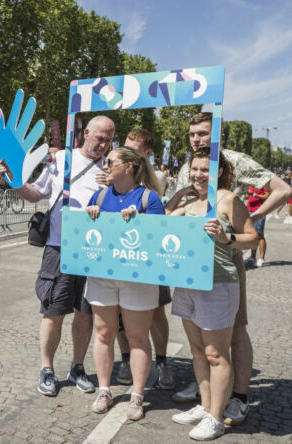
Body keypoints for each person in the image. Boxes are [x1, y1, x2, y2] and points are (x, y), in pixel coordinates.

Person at [170, 112, 291, 425]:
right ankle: (207, 393)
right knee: (201, 338)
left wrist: (241, 222)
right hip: (189, 262)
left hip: (224, 258)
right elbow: (177, 207)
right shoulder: (188, 164)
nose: (197, 139)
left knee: (234, 332)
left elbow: (283, 190)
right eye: (193, 134)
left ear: (217, 135)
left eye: (204, 133)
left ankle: (239, 397)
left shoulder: (235, 160)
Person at [0, 115, 115, 397]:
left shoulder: (112, 166)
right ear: (85, 133)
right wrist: (11, 180)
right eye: (99, 138)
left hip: (94, 251)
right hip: (59, 248)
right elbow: (35, 194)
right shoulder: (62, 158)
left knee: (84, 314)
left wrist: (113, 184)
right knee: (53, 313)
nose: (103, 144)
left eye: (108, 140)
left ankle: (77, 368)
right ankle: (47, 369)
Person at [167, 148, 258, 440]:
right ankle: (205, 406)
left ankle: (216, 418)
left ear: (219, 171)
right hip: (187, 283)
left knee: (215, 354)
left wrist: (226, 237)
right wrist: (179, 194)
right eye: (194, 169)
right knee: (197, 351)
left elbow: (253, 238)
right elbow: (162, 218)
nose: (198, 174)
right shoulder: (193, 203)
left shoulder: (228, 199)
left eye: (205, 169)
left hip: (218, 284)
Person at [82, 146, 166, 420]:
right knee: (103, 333)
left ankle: (137, 396)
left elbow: (158, 238)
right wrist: (89, 212)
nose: (106, 166)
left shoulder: (149, 198)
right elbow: (86, 232)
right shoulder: (100, 194)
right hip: (102, 275)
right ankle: (104, 390)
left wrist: (139, 221)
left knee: (138, 338)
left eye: (111, 162)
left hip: (138, 278)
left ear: (129, 166)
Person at [115, 128, 175, 390]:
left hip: (149, 254)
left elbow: (154, 202)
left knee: (156, 310)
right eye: (125, 148)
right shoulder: (118, 168)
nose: (128, 154)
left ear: (147, 153)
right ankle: (126, 359)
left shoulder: (155, 177)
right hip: (119, 250)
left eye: (134, 150)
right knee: (118, 311)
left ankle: (161, 362)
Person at [245, 186, 269, 267]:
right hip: (249, 210)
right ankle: (253, 257)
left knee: (260, 235)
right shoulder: (250, 183)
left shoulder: (264, 183)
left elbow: (267, 196)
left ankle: (261, 258)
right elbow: (248, 197)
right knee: (253, 235)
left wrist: (255, 194)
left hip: (259, 211)